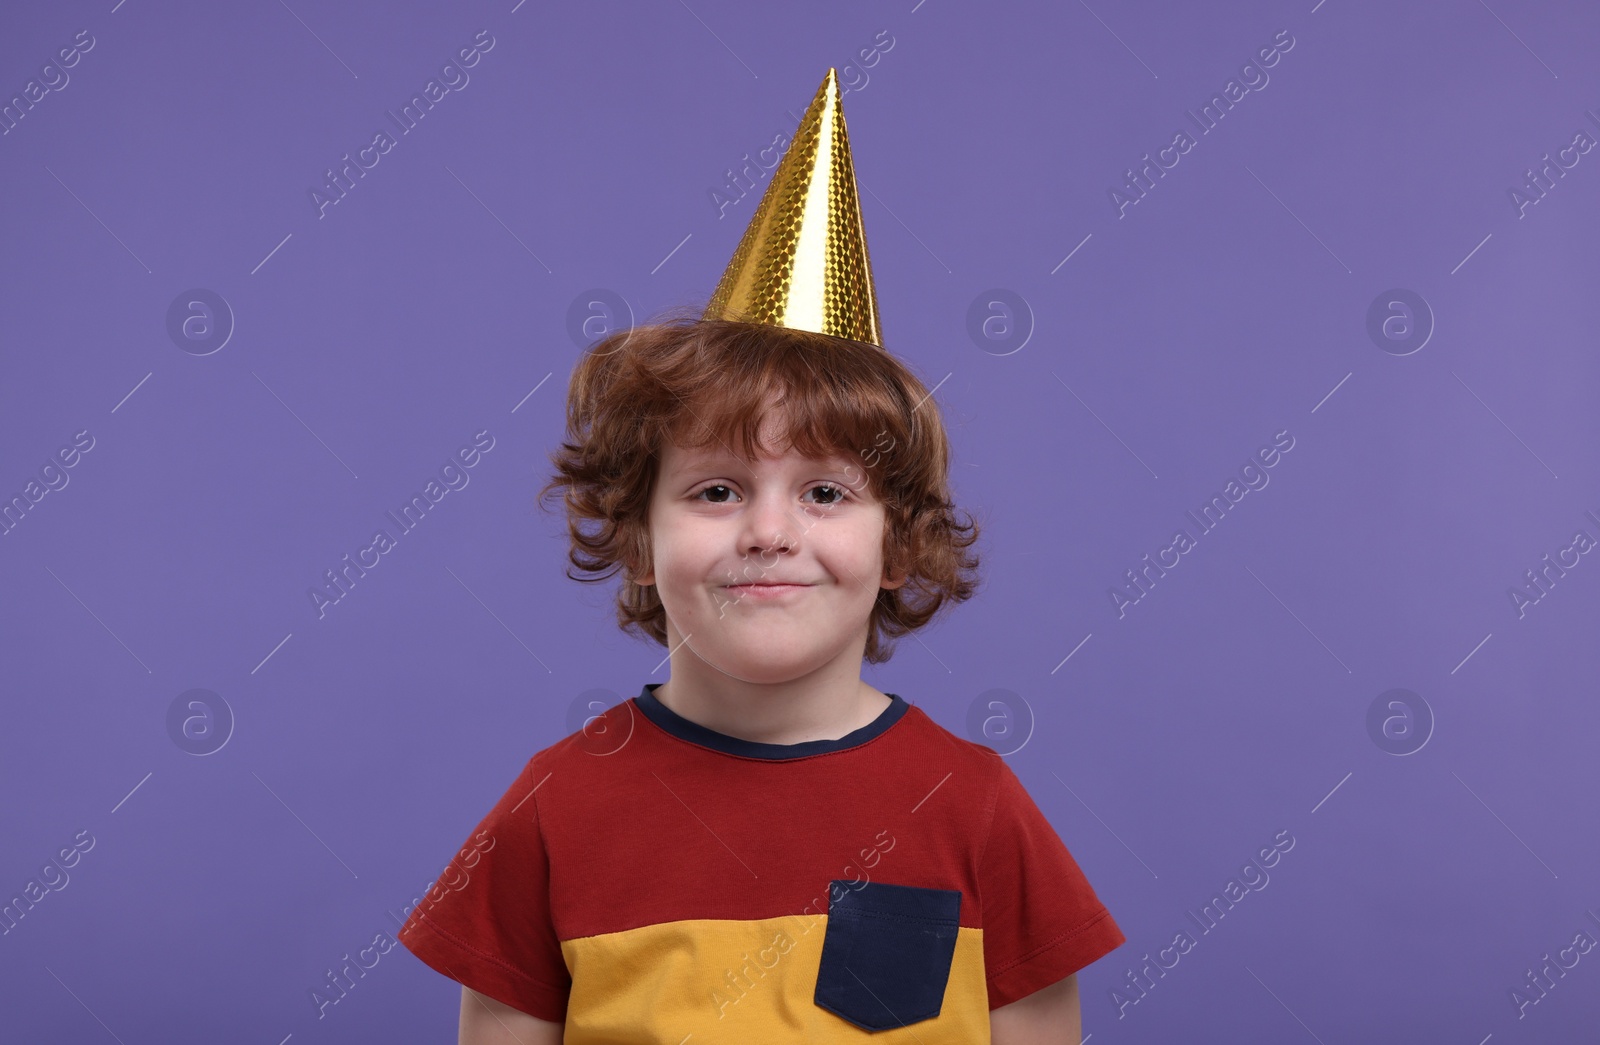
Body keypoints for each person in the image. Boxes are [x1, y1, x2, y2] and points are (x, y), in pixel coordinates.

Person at [398, 67, 1125, 1044]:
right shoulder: (552, 805)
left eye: (825, 492)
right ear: (639, 539)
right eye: (715, 490)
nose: (769, 531)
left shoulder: (975, 805)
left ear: (899, 544)